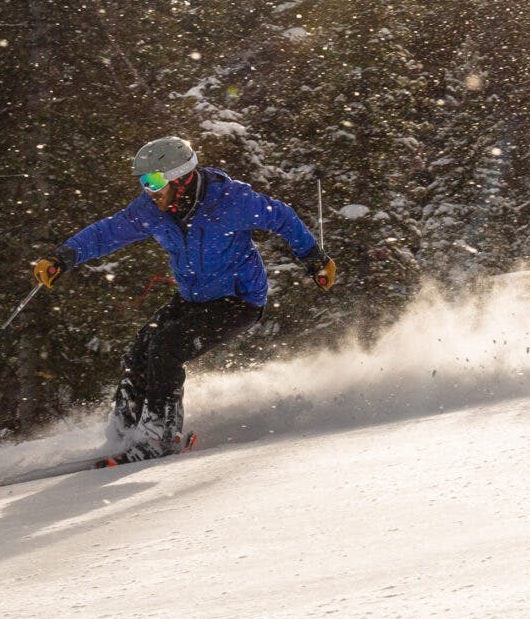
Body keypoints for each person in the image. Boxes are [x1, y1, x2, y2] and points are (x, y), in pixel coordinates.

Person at [29, 135, 335, 461]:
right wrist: (65, 256)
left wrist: (314, 258)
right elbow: (109, 231)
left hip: (239, 300)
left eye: (154, 180)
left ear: (182, 177)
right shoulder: (154, 209)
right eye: (143, 181)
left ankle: (161, 436)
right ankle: (124, 431)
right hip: (194, 297)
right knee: (142, 348)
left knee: (166, 347)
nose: (149, 189)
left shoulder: (231, 200)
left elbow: (281, 217)